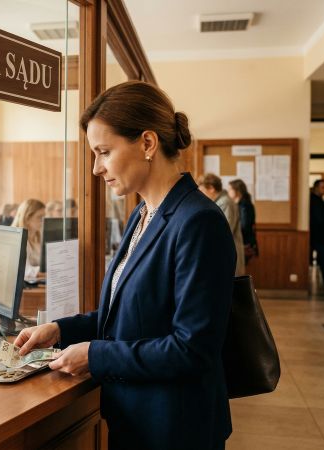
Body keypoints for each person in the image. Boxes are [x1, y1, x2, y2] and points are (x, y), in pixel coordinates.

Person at [14, 81, 235, 449]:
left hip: (174, 429)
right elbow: (131, 316)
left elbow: (192, 349)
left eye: (104, 151)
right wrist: (59, 330)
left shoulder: (198, 221)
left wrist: (96, 354)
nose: (97, 168)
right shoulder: (142, 214)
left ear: (147, 143)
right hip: (136, 419)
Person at [198, 174, 245, 276]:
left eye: (202, 191)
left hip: (230, 253)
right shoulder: (221, 201)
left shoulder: (225, 202)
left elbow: (225, 231)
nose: (200, 195)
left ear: (211, 188)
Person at [10, 199, 46, 279]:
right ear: (27, 218)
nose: (43, 221)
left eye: (44, 217)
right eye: (40, 217)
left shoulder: (38, 236)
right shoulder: (18, 239)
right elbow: (27, 271)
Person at [227, 179, 258, 264]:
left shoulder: (244, 205)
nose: (228, 191)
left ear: (237, 191)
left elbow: (245, 225)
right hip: (242, 241)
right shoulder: (238, 204)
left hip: (245, 242)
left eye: (230, 189)